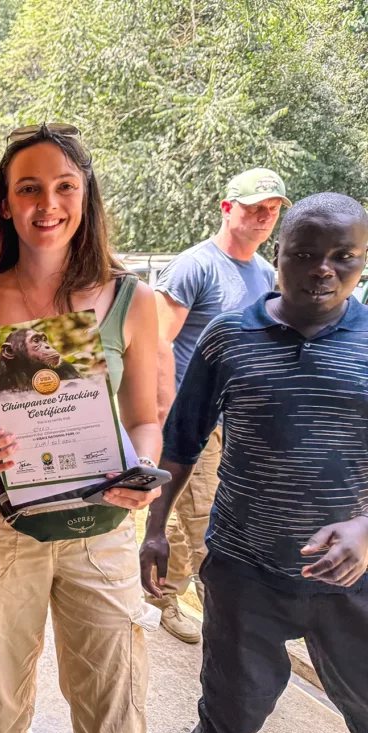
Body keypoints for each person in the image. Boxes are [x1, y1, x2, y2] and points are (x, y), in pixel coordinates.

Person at [0, 123, 163, 733]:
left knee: (114, 720)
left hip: (102, 523)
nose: (48, 204)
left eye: (65, 187)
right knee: (4, 720)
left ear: (86, 196)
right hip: (4, 525)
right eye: (29, 188)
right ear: (4, 203)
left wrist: (140, 469)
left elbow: (144, 419)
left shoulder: (130, 299)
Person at [141, 192, 368, 733]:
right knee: (224, 730)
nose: (323, 269)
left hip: (356, 581)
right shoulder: (227, 337)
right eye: (305, 253)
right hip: (245, 573)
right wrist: (156, 529)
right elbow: (180, 442)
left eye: (344, 256)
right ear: (279, 255)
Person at [150, 168, 291, 643]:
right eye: (254, 207)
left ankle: (191, 593)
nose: (264, 217)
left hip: (240, 419)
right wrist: (166, 415)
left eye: (272, 210)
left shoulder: (267, 274)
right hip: (193, 416)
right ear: (227, 208)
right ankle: (171, 598)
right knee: (202, 514)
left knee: (222, 515)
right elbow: (154, 343)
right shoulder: (196, 266)